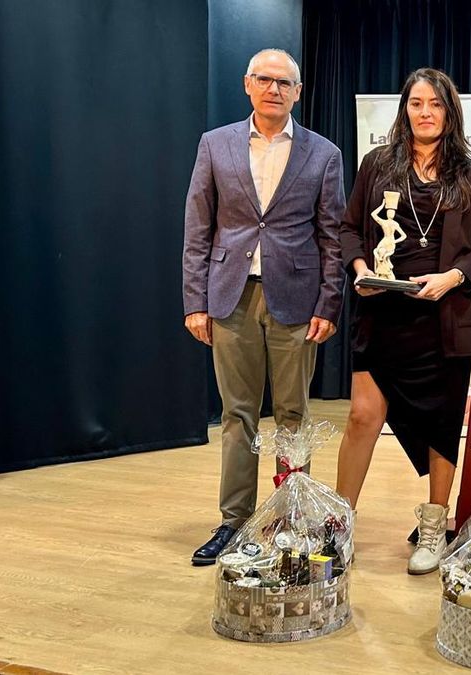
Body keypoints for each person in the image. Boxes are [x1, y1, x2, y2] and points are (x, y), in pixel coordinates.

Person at [182, 48, 345, 565]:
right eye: (265, 80)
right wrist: (195, 300)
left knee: (294, 414)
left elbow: (333, 237)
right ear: (247, 85)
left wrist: (330, 302)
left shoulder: (323, 154)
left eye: (285, 82)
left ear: (298, 93)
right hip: (229, 298)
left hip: (297, 302)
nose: (275, 89)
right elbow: (197, 229)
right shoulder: (215, 145)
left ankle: (289, 519)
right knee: (237, 415)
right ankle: (233, 521)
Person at [335, 68, 471, 575]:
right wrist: (361, 270)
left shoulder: (467, 171)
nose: (425, 113)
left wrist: (453, 277)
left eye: (436, 104)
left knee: (442, 425)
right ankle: (339, 526)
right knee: (362, 415)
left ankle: (433, 526)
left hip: (443, 316)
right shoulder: (377, 163)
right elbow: (349, 230)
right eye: (416, 103)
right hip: (382, 312)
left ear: (449, 111)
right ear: (404, 109)